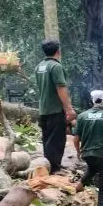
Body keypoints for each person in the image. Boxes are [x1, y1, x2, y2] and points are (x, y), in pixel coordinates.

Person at [35, 40, 76, 173]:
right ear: (58, 51)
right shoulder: (56, 66)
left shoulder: (39, 66)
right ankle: (54, 168)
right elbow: (61, 88)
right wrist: (69, 109)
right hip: (55, 109)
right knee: (57, 139)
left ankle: (50, 165)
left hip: (43, 109)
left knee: (47, 138)